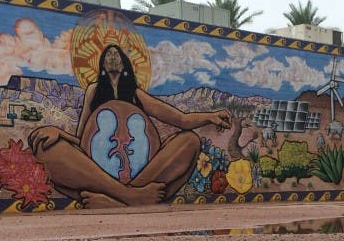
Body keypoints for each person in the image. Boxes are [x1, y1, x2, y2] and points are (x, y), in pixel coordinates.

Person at [29, 44, 231, 207]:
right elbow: (82, 139)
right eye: (108, 56)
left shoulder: (135, 93)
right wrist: (58, 133)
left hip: (141, 175)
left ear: (125, 63)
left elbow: (180, 119)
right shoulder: (94, 90)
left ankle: (112, 199)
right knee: (44, 145)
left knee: (191, 141)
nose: (112, 58)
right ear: (102, 64)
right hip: (98, 173)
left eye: (117, 55)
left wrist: (210, 116)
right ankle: (131, 197)